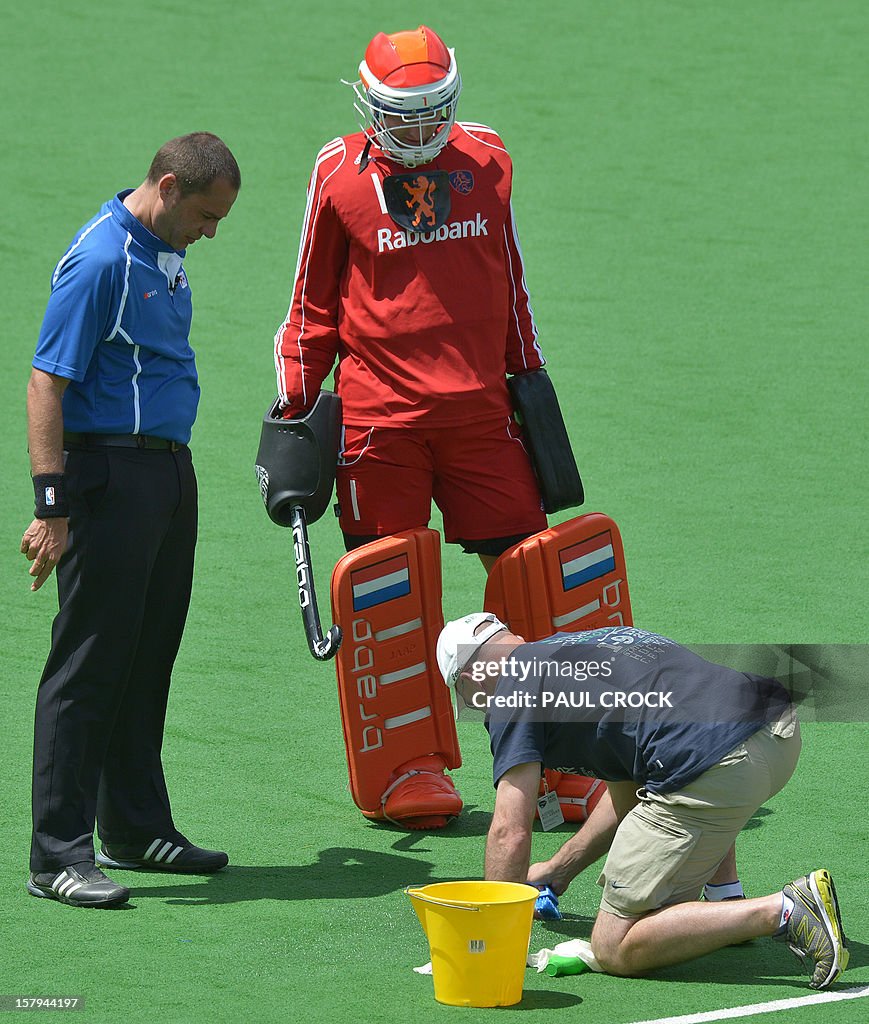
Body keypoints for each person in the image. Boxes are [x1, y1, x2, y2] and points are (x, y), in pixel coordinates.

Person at [20, 132, 240, 908]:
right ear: (171, 186)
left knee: (148, 655)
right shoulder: (101, 260)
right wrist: (53, 505)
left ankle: (136, 826)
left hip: (164, 473)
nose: (210, 232)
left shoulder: (161, 251)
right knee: (87, 666)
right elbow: (46, 382)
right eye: (207, 215)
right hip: (108, 476)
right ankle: (56, 855)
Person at [435, 613, 850, 989]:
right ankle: (726, 896)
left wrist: (491, 938)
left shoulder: (513, 688)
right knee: (676, 774)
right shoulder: (589, 644)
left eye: (467, 695)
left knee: (615, 942)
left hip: (719, 767)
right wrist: (559, 870)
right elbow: (630, 791)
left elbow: (510, 829)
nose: (477, 707)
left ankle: (786, 911)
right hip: (778, 738)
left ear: (472, 673)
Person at [273, 25, 547, 571]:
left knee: (524, 575)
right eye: (403, 111)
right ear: (371, 104)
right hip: (381, 426)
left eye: (432, 110)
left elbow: (509, 280)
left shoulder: (490, 158)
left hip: (481, 416)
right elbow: (311, 305)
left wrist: (529, 377)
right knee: (390, 595)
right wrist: (294, 409)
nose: (420, 127)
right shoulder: (338, 174)